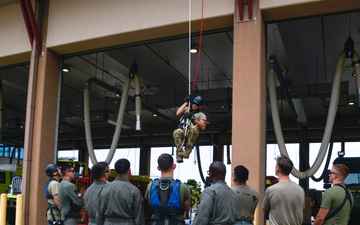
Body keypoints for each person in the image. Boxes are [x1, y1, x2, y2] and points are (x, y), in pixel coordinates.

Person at [145, 153, 191, 225]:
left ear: (158, 168)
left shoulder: (150, 186)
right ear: (174, 166)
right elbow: (186, 209)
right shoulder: (182, 187)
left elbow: (150, 205)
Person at [97, 158, 145, 225]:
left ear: (116, 172)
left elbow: (99, 215)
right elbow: (139, 217)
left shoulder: (104, 189)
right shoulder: (134, 191)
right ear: (129, 171)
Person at [262, 155, 305, 225]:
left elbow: (264, 210)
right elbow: (300, 209)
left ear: (277, 169)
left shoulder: (271, 190)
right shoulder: (300, 190)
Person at [173, 95, 207, 163]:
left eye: (196, 105)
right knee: (177, 131)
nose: (194, 105)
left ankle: (187, 151)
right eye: (194, 103)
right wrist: (186, 102)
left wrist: (193, 118)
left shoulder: (201, 115)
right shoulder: (187, 110)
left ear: (200, 106)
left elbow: (203, 127)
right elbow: (178, 113)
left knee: (193, 128)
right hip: (182, 131)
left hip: (191, 134)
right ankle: (179, 154)